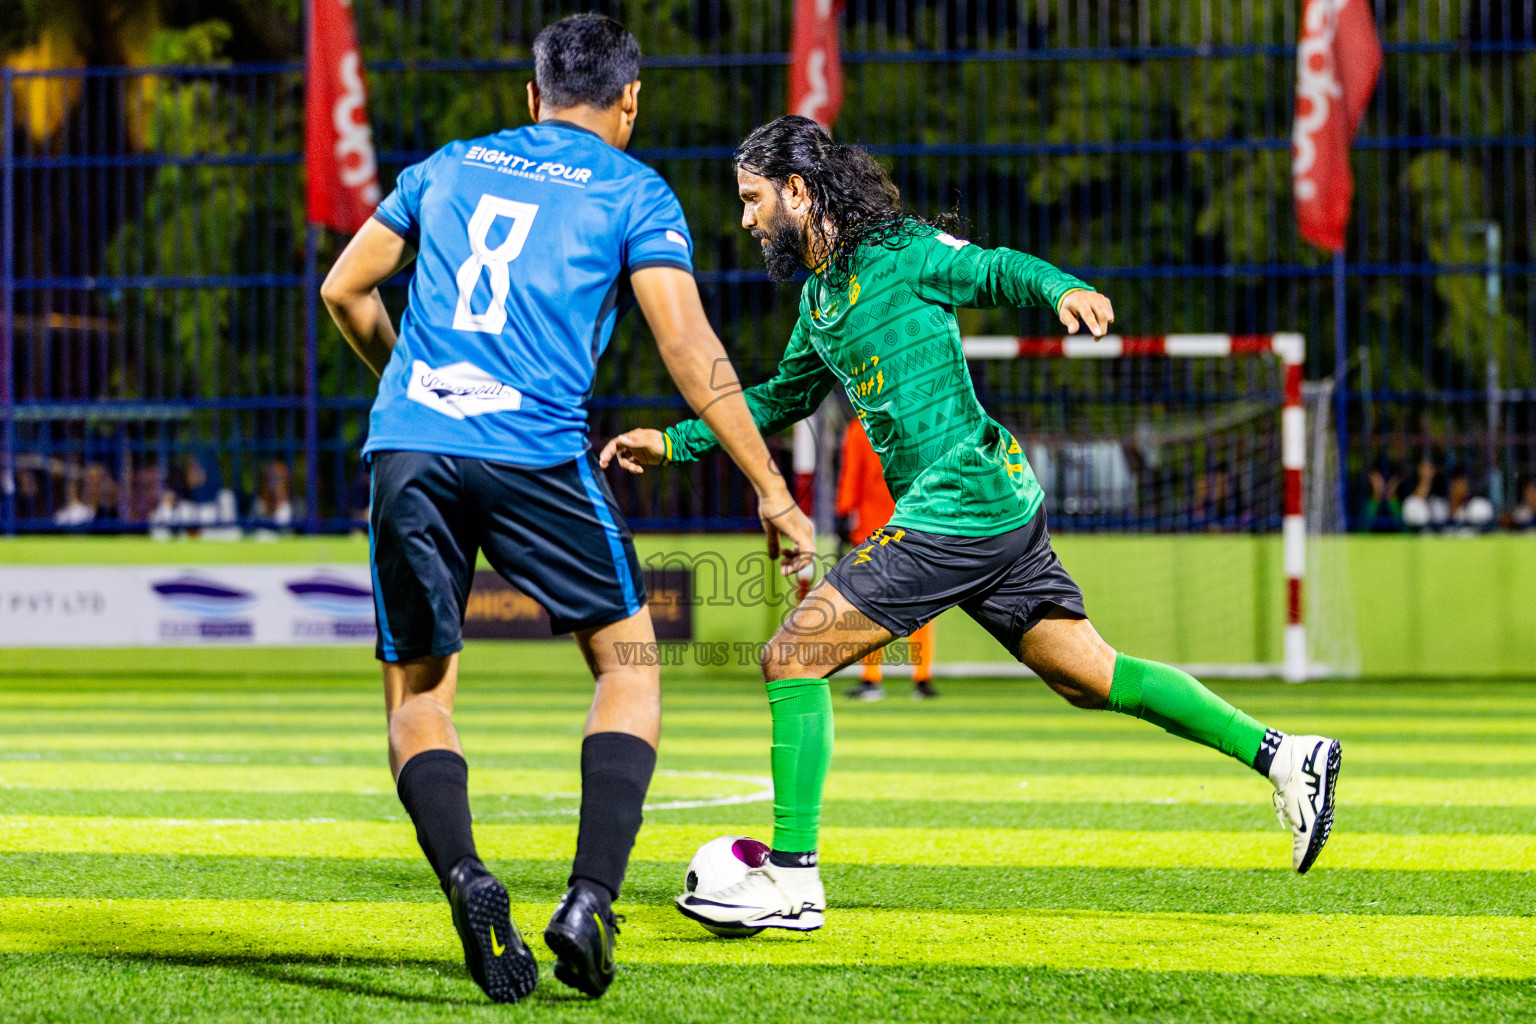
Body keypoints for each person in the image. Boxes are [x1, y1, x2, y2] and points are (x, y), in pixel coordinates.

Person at [602, 115, 1341, 935]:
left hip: (960, 503)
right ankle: (1286, 755)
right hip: (993, 507)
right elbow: (777, 399)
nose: (744, 219)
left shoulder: (903, 254)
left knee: (792, 657)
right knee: (1088, 674)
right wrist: (674, 441)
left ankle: (793, 879)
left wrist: (1061, 287)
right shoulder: (821, 301)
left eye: (753, 199)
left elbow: (992, 268)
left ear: (799, 192)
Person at [320, 16, 813, 1004]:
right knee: (629, 663)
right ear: (629, 102)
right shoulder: (634, 191)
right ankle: (589, 898)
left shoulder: (448, 167)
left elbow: (346, 286)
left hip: (411, 442)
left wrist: (413, 391)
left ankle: (466, 876)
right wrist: (769, 485)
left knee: (420, 694)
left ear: (530, 93)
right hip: (535, 448)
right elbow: (688, 345)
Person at [837, 416, 936, 699]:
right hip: (915, 527)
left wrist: (844, 513)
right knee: (922, 602)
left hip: (873, 530)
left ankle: (871, 679)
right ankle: (922, 678)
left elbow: (852, 474)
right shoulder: (918, 425)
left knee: (871, 607)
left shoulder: (860, 428)